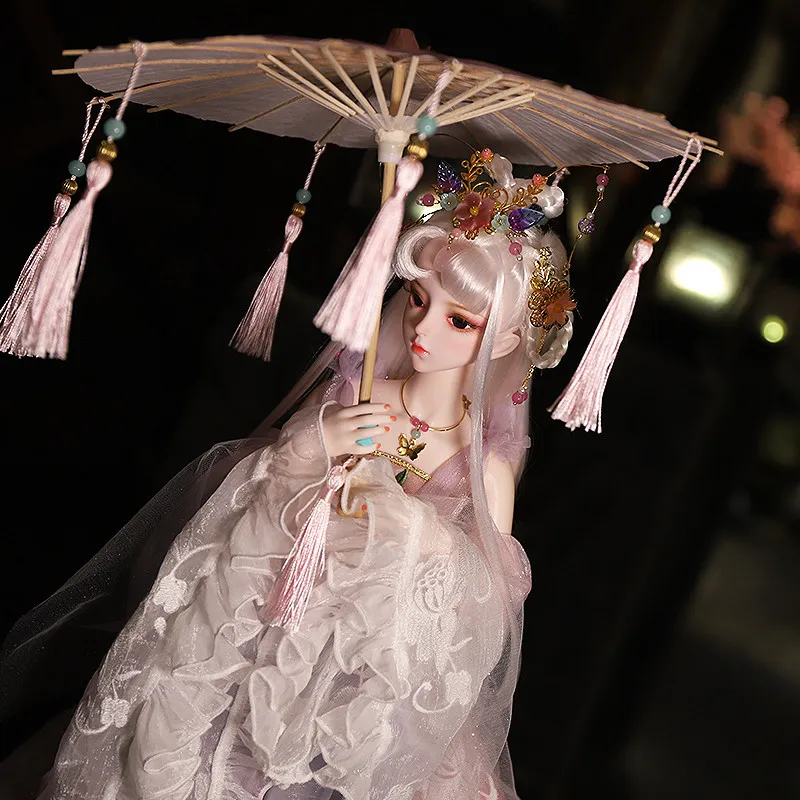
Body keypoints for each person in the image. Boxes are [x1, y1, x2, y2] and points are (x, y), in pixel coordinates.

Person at [4, 151, 574, 800]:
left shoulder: (484, 468)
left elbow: (483, 618)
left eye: (459, 321)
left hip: (365, 685)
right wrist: (317, 446)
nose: (421, 326)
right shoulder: (359, 400)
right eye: (419, 298)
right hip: (268, 635)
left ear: (503, 342)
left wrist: (406, 533)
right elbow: (260, 501)